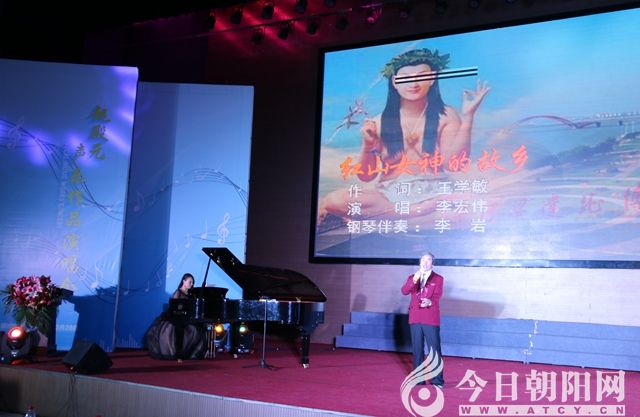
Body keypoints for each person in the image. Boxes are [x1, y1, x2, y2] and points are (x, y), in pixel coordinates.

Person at [318, 48, 489, 224]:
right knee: (334, 200)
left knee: (477, 208)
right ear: (394, 82)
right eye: (405, 77)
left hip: (436, 192)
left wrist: (468, 117)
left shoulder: (446, 115)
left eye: (422, 76)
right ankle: (419, 213)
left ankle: (398, 217)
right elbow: (366, 177)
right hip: (390, 196)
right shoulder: (377, 122)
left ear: (432, 79)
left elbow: (454, 165)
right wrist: (367, 146)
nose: (413, 83)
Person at [401, 252, 444, 387]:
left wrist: (430, 302)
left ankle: (437, 380)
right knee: (417, 350)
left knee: (434, 350)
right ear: (420, 262)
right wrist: (414, 280)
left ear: (432, 263)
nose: (425, 262)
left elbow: (437, 296)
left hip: (430, 317)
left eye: (428, 260)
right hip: (415, 318)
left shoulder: (438, 278)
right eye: (423, 260)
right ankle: (419, 379)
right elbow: (404, 291)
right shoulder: (412, 277)